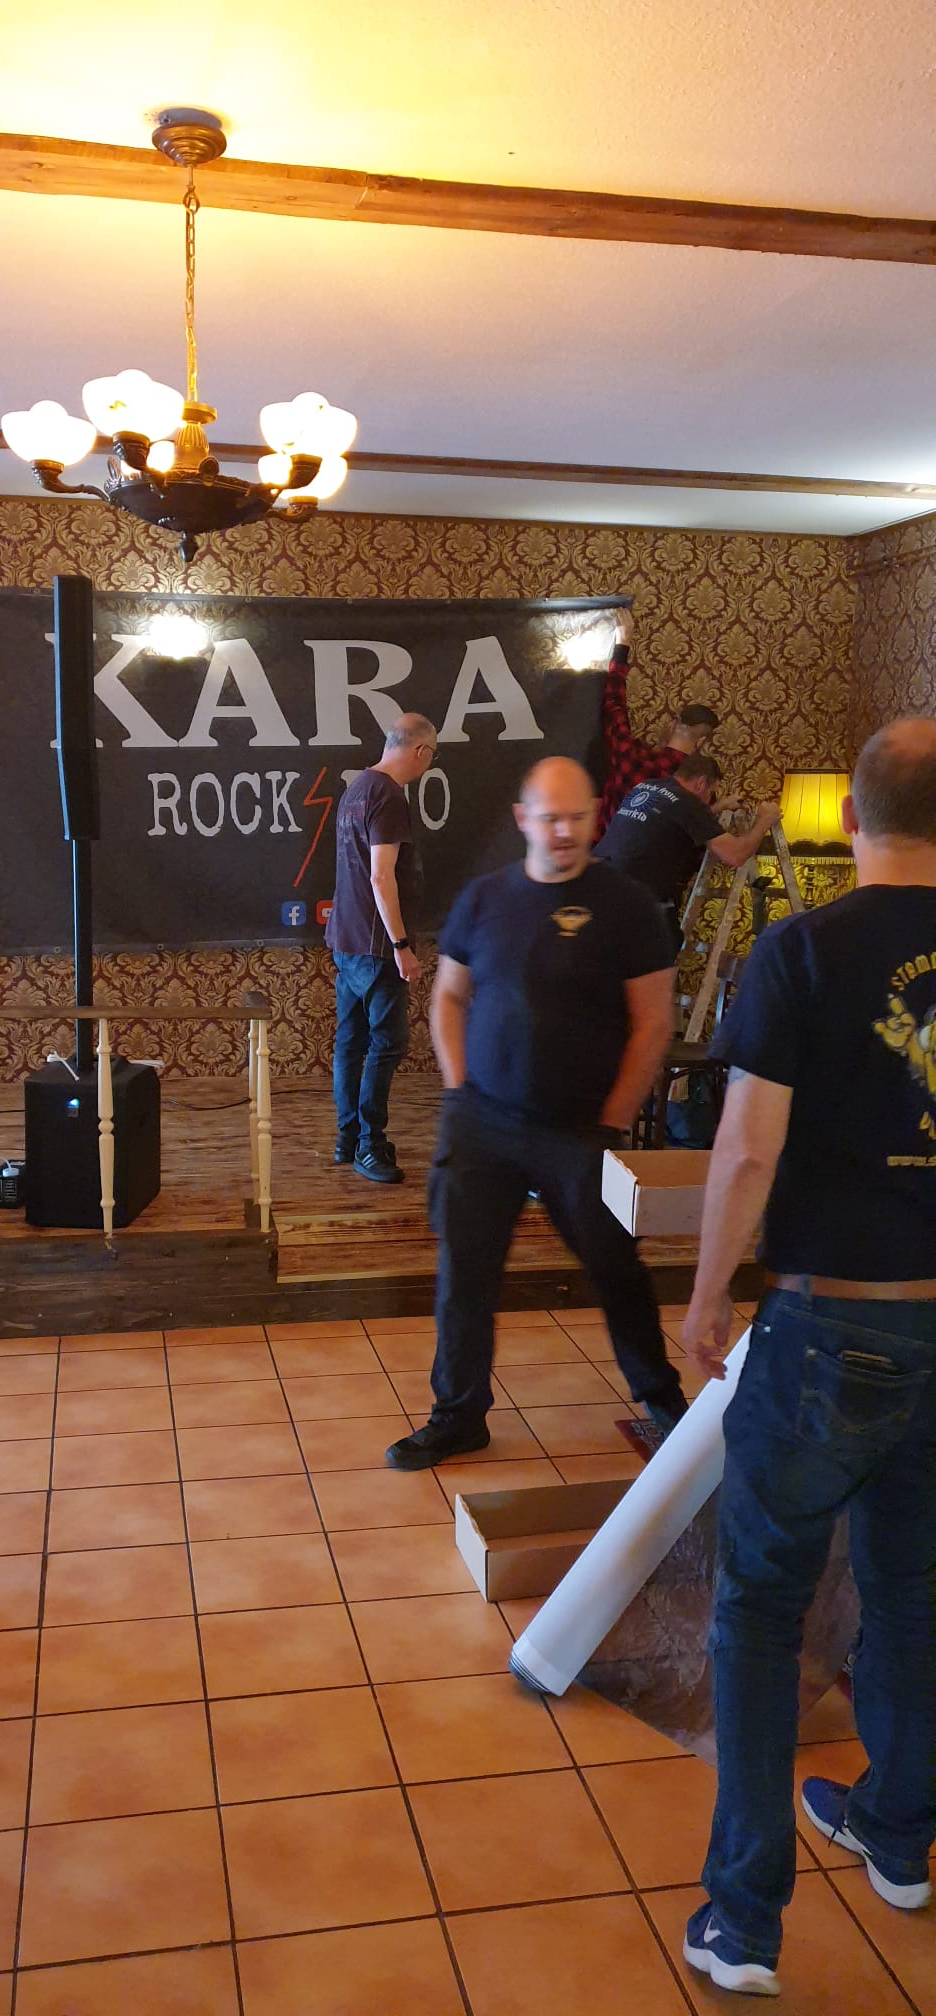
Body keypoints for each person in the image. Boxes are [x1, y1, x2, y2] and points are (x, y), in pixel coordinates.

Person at [679, 716, 936, 1998]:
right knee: (915, 1593)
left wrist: (706, 1296)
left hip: (830, 1320)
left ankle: (744, 1921)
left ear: (848, 819)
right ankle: (898, 1834)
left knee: (759, 1609)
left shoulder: (802, 950)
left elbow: (746, 1151)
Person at [386, 755, 686, 1471]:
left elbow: (653, 1023)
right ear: (523, 819)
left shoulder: (627, 906)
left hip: (579, 1130)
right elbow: (449, 997)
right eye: (550, 818)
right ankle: (458, 1416)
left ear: (595, 817)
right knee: (465, 1274)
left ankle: (664, 1403)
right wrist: (459, 1090)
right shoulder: (484, 899)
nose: (564, 832)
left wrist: (611, 1120)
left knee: (615, 1267)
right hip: (483, 1122)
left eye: (577, 817)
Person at [326, 712, 438, 1184]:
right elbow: (379, 875)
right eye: (431, 757)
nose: (429, 765)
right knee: (388, 1043)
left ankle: (348, 1138)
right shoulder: (389, 796)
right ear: (420, 751)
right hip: (375, 946)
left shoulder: (357, 788)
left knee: (351, 1042)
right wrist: (401, 945)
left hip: (345, 939)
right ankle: (370, 1146)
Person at [596, 754, 782, 951]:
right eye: (711, 792)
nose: (708, 799)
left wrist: (719, 807)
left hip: (599, 882)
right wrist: (764, 820)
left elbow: (678, 819)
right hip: (634, 898)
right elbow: (737, 855)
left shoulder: (647, 787)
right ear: (701, 783)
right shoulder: (688, 803)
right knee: (665, 947)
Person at [594, 608, 720, 840]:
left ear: (672, 725)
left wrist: (623, 644)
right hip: (654, 861)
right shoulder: (696, 785)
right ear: (701, 742)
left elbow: (613, 704)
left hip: (605, 851)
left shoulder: (630, 754)